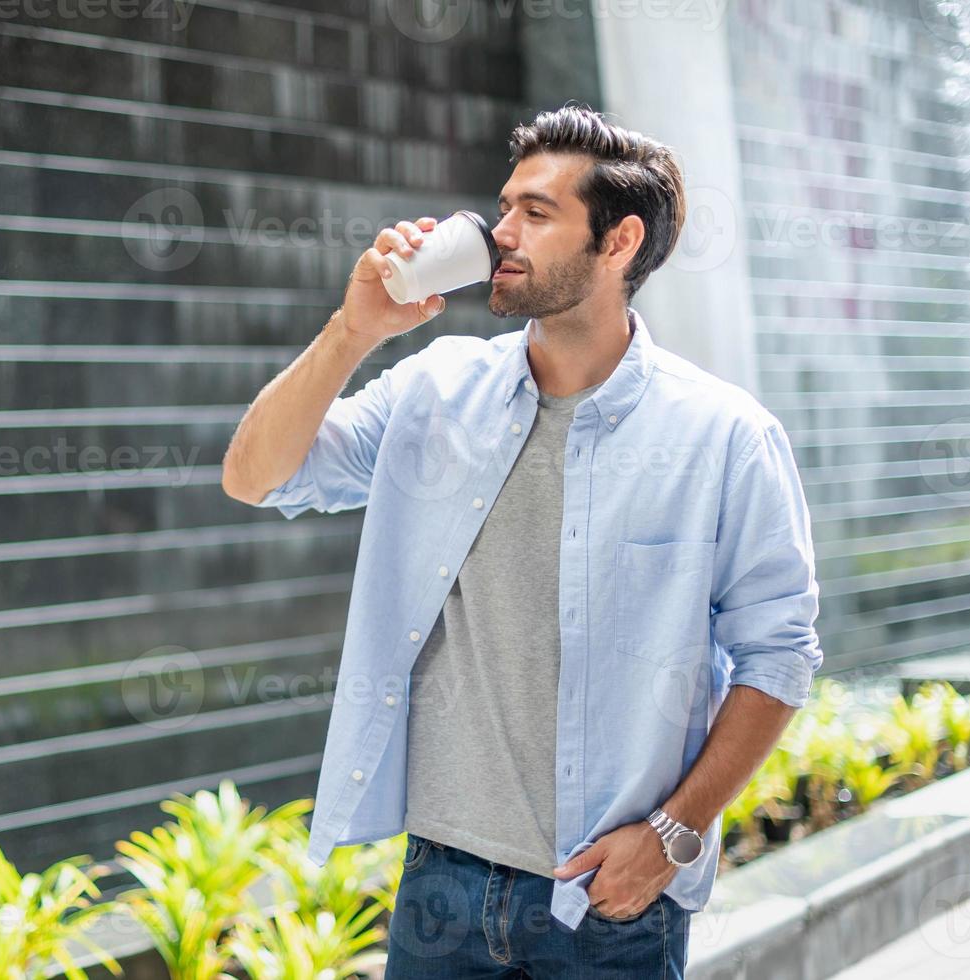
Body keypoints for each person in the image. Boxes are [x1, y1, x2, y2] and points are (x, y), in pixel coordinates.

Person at [220, 104, 823, 977]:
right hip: (440, 879)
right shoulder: (433, 389)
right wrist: (353, 331)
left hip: (606, 896)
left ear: (616, 243)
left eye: (535, 214)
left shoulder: (723, 437)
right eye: (504, 206)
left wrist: (672, 834)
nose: (499, 232)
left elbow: (777, 656)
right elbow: (254, 476)